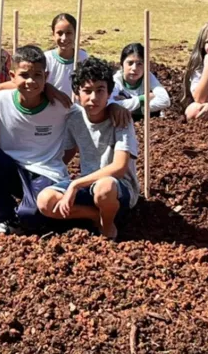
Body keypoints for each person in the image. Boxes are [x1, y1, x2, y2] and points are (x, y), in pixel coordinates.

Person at [0, 45, 126, 235]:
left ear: (46, 76)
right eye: (24, 75)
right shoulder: (1, 101)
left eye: (38, 75)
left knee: (30, 217)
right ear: (12, 76)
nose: (31, 81)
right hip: (12, 169)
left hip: (45, 173)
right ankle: (5, 216)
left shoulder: (60, 106)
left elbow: (92, 109)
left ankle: (92, 215)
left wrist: (113, 107)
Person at [37, 57, 139, 240]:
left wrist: (75, 184)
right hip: (87, 184)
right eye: (87, 91)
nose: (94, 98)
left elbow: (119, 167)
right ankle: (95, 216)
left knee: (104, 188)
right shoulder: (74, 118)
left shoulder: (120, 119)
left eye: (100, 91)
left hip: (118, 187)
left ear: (109, 93)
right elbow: (67, 154)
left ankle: (108, 225)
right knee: (45, 201)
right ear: (77, 93)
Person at [111, 43, 170, 120]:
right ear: (122, 64)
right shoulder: (116, 80)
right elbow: (110, 104)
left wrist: (132, 106)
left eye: (139, 64)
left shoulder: (148, 77)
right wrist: (143, 98)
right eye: (130, 63)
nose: (134, 68)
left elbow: (165, 100)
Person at [44, 13, 89, 97]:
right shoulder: (46, 59)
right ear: (53, 34)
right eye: (59, 33)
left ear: (76, 34)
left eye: (69, 33)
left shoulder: (83, 57)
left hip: (77, 108)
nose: (64, 38)